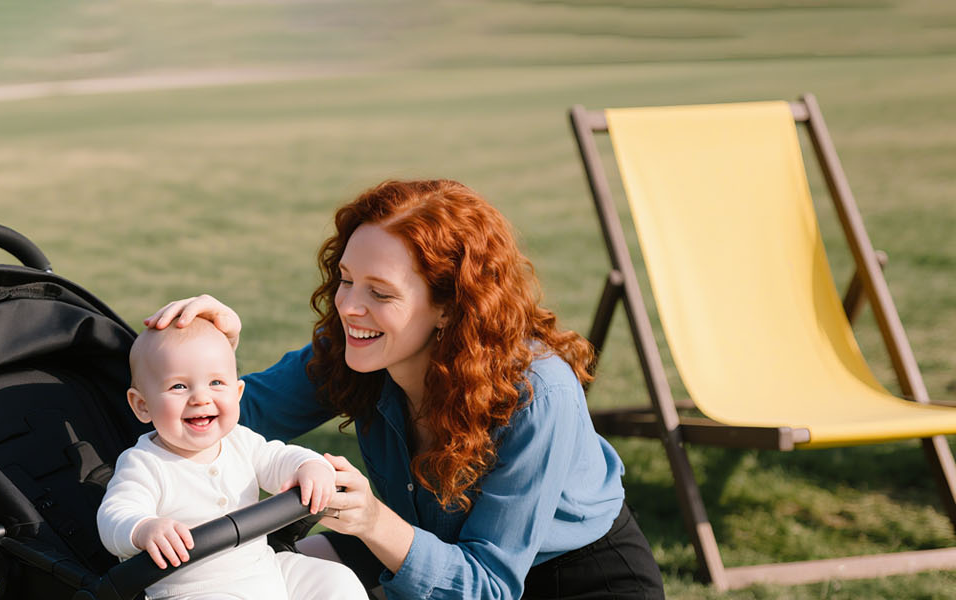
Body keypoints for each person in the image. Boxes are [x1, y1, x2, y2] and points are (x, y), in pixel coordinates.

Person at [144, 179, 665, 599]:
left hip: (571, 578)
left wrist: (370, 519)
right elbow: (225, 418)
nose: (348, 307)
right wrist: (212, 352)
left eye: (380, 292)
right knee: (264, 576)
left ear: (448, 306)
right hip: (416, 544)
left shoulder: (537, 391)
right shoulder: (354, 349)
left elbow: (488, 586)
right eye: (346, 280)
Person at [96, 320, 369, 600]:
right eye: (179, 386)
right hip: (195, 589)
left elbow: (277, 458)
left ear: (237, 394)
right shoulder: (144, 463)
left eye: (216, 383)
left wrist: (309, 466)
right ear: (142, 405)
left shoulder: (240, 441)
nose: (201, 398)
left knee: (334, 578)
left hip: (264, 569)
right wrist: (143, 528)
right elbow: (114, 515)